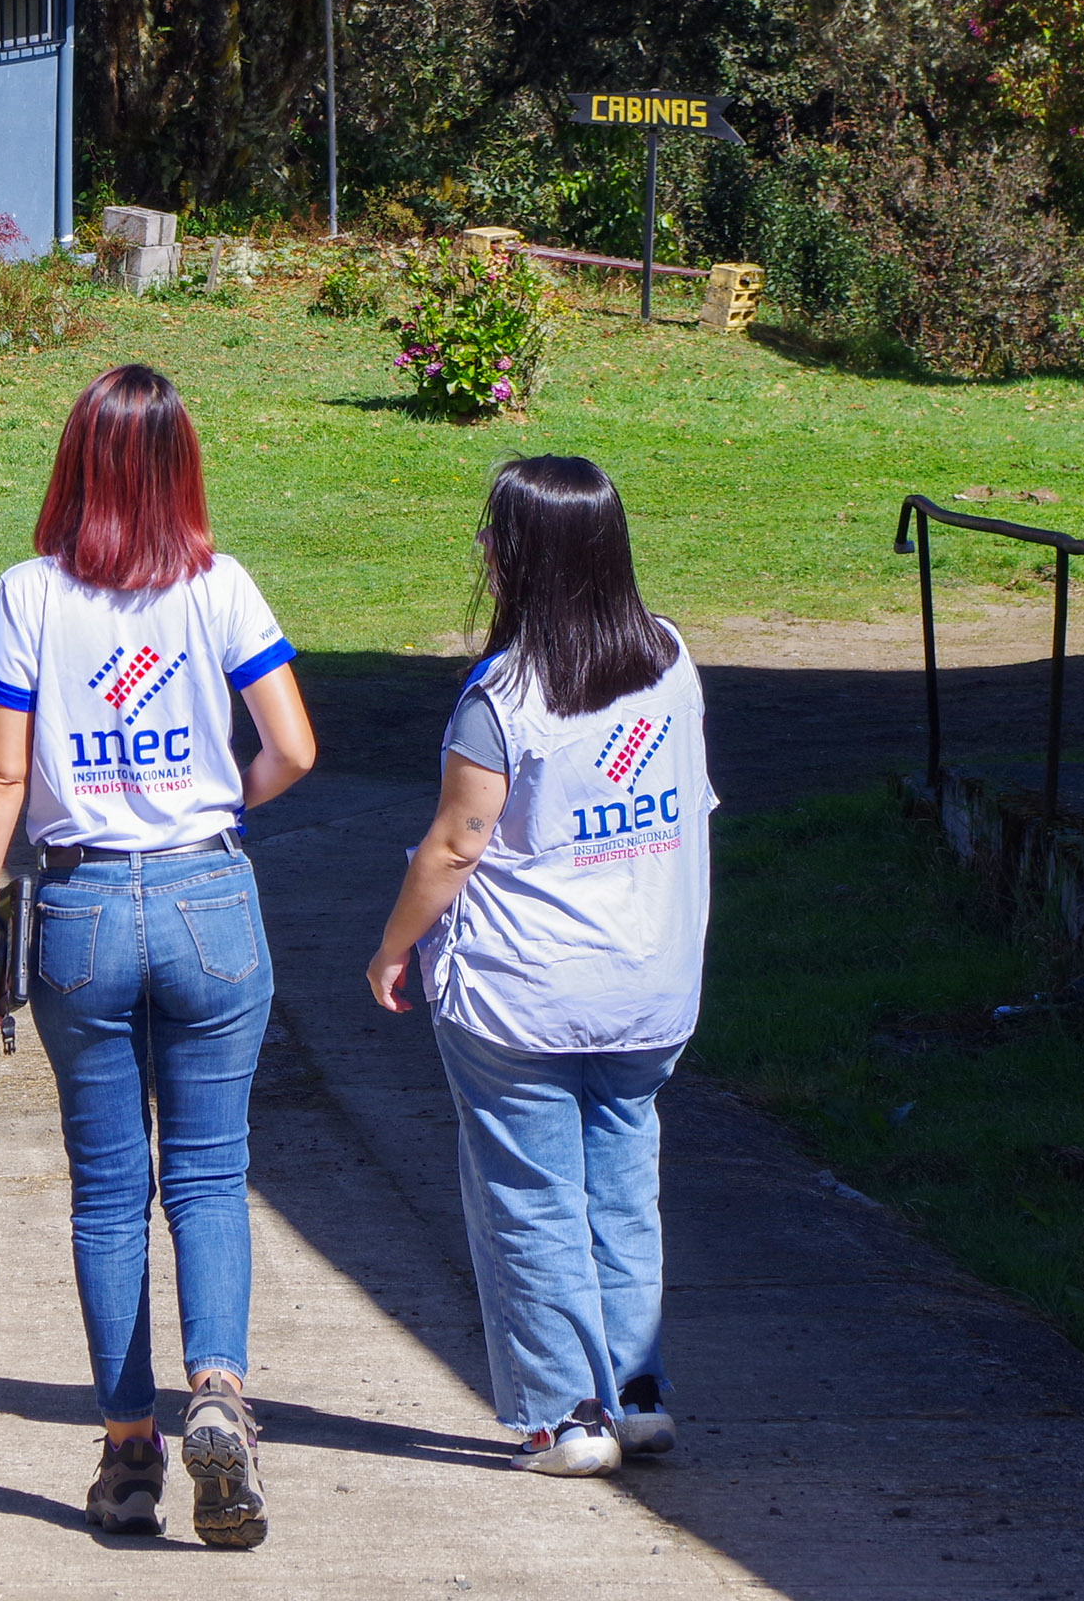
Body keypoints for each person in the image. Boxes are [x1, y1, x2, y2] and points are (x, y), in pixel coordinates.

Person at [0, 364, 318, 1547]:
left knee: (111, 1190)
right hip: (213, 894)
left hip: (84, 909)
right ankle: (219, 1389)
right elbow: (295, 747)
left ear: (76, 464)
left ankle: (126, 1454)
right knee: (213, 1174)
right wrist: (222, 812)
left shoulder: (26, 595)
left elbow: (4, 770)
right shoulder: (222, 588)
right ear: (182, 471)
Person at [363, 455, 713, 1478]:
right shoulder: (673, 662)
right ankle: (640, 1393)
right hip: (649, 983)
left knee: (532, 1199)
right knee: (623, 1189)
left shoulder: (503, 695)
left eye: (493, 534)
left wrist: (392, 946)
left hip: (523, 996)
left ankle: (568, 1416)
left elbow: (454, 847)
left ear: (524, 559)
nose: (481, 547)